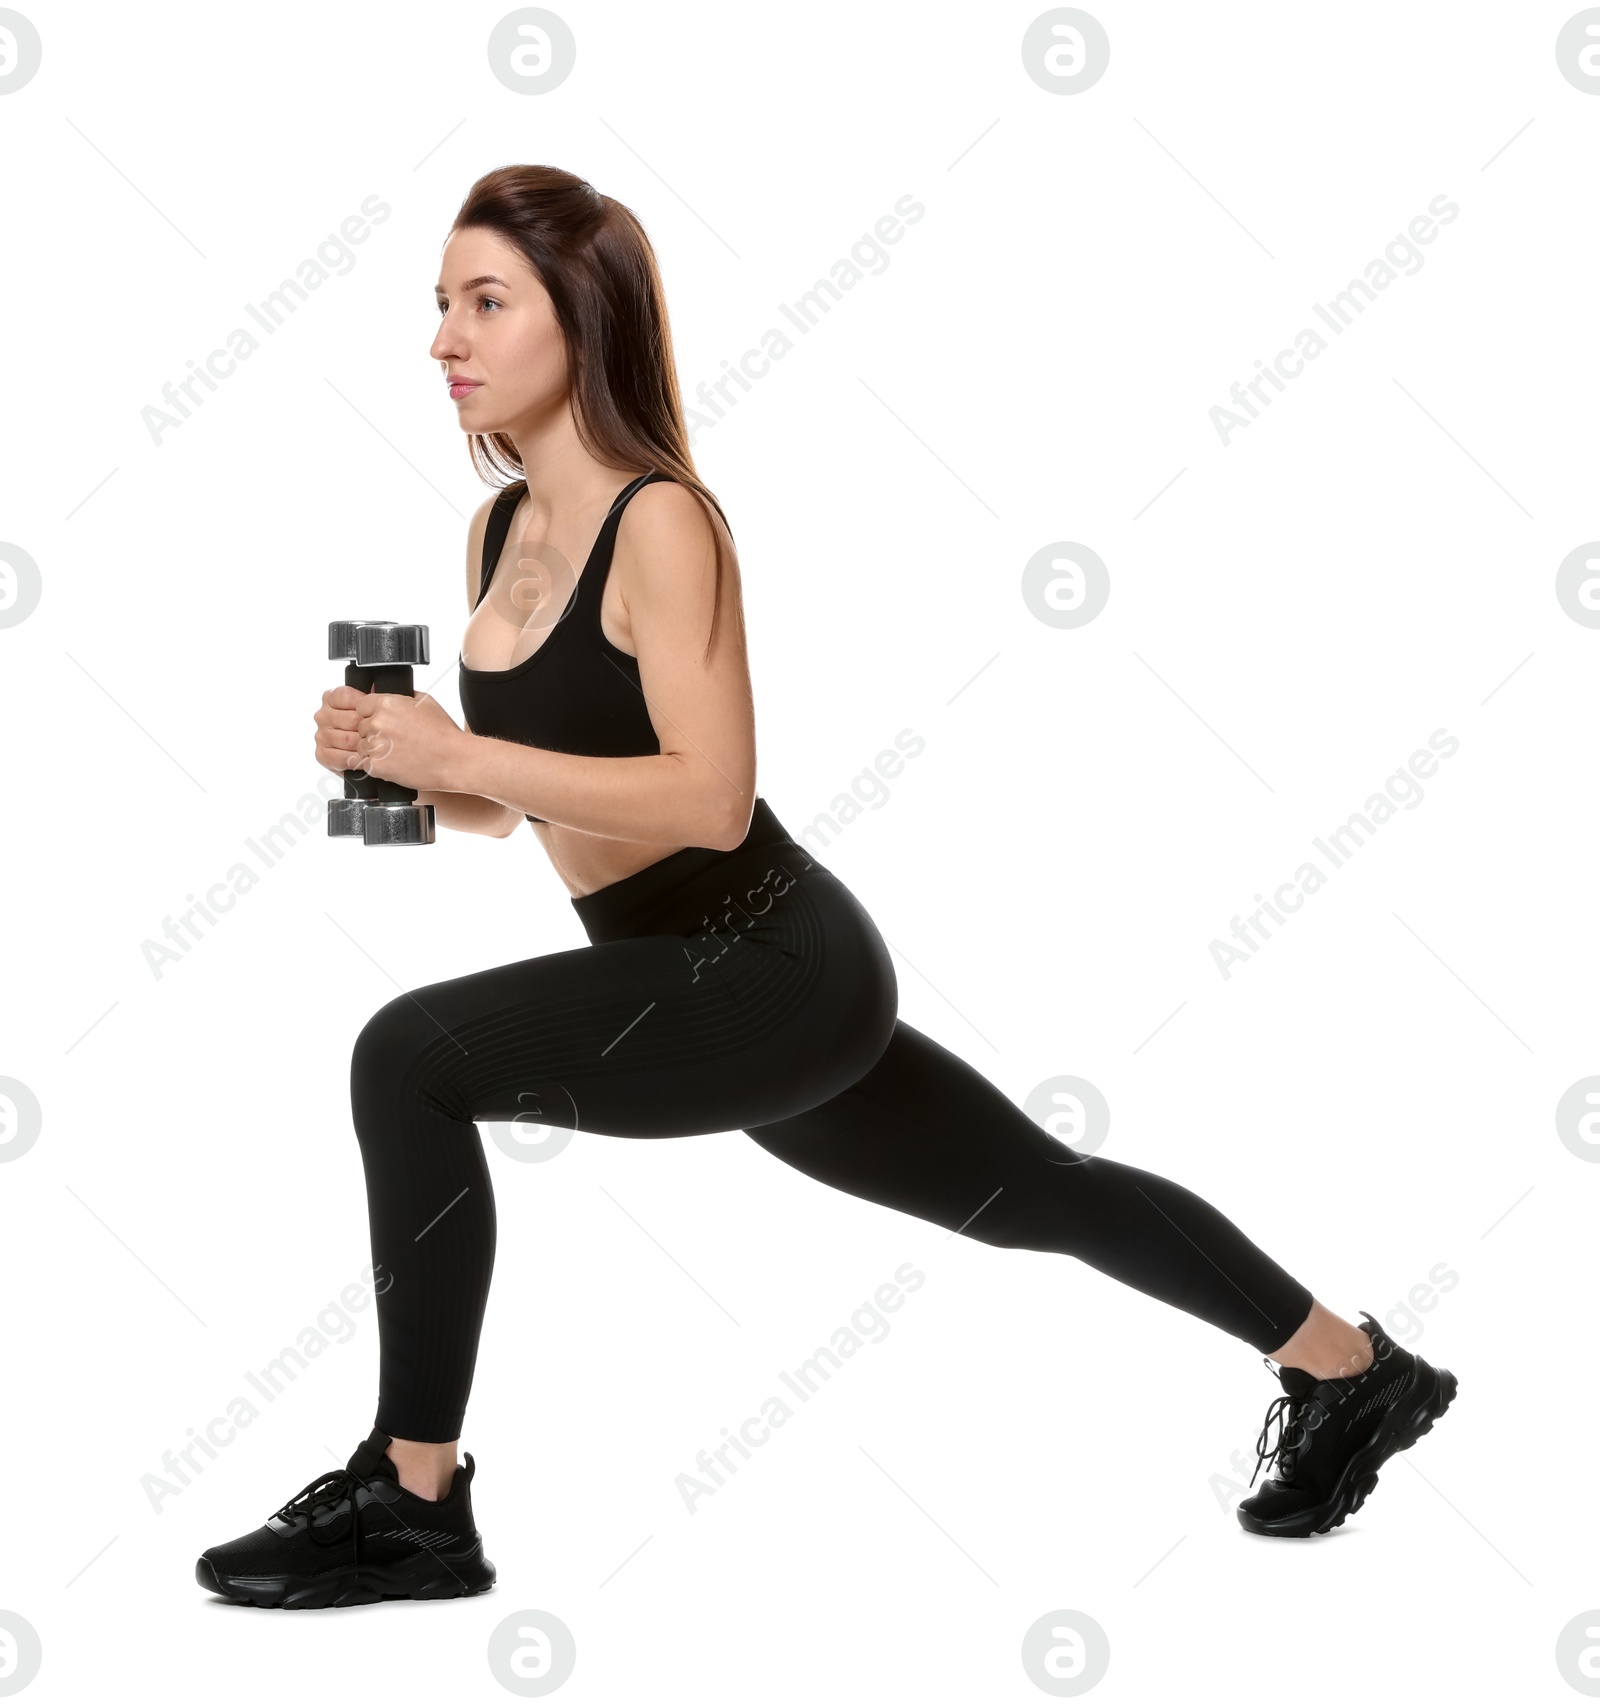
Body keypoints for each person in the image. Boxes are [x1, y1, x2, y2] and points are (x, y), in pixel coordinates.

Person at [195, 166, 1458, 1609]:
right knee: (1031, 1191)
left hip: (772, 961)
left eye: (485, 301)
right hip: (677, 977)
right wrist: (415, 778)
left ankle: (412, 1496)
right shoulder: (496, 533)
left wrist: (461, 743)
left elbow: (707, 794)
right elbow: (514, 802)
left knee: (404, 1057)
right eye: (438, 304)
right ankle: (1354, 1368)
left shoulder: (665, 521)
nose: (443, 338)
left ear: (583, 322)